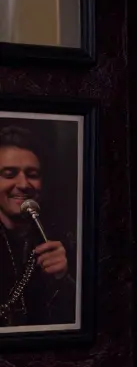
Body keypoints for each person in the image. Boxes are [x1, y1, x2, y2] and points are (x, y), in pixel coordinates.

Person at [0, 126, 74, 327]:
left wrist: (62, 278)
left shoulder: (63, 240)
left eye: (32, 174)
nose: (23, 184)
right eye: (9, 174)